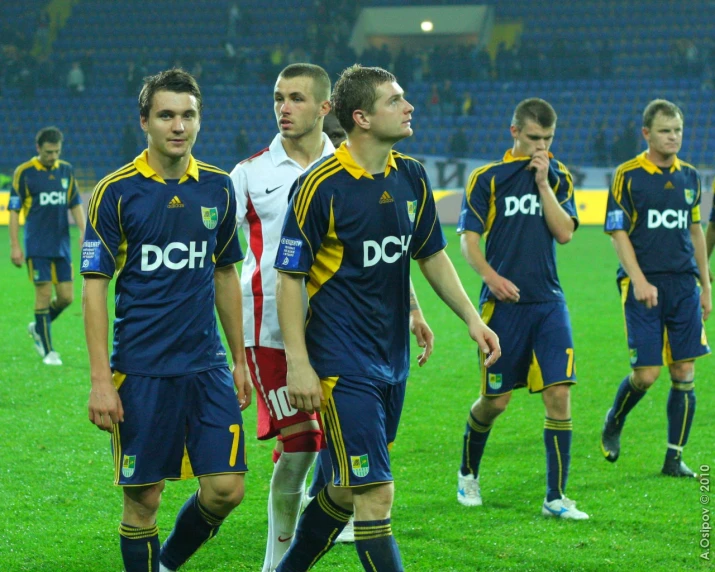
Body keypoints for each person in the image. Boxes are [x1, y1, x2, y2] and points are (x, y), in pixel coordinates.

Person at [274, 64, 500, 572]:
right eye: (395, 100)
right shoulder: (318, 187)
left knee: (343, 489)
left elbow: (429, 255)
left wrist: (471, 318)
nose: (408, 106)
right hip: (340, 362)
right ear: (362, 118)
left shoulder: (411, 175)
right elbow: (289, 278)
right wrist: (299, 363)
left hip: (391, 357)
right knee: (376, 495)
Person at [81, 68, 252, 572]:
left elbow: (225, 274)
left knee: (226, 490)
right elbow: (95, 290)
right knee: (144, 500)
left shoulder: (219, 189)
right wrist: (99, 382)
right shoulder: (115, 192)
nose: (179, 126)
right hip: (141, 370)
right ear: (145, 122)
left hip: (206, 366)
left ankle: (167, 563)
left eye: (188, 115)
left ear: (199, 120)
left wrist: (239, 361)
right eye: (167, 115)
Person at [456, 98, 588, 519]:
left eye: (548, 139)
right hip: (502, 309)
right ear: (514, 132)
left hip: (548, 303)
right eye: (534, 138)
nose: (541, 147)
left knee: (560, 395)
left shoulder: (558, 175)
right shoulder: (487, 178)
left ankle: (555, 497)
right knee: (494, 403)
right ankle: (467, 473)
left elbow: (565, 233)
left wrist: (545, 184)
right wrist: (492, 278)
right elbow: (468, 241)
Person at [229, 62, 335, 572]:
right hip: (269, 331)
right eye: (278, 97)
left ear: (324, 107)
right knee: (302, 442)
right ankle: (276, 563)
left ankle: (330, 515)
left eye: (296, 98)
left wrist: (413, 308)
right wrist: (230, 351)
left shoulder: (346, 168)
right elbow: (220, 261)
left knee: (338, 435)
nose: (284, 108)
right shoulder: (249, 174)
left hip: (337, 329)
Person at [601, 99, 710, 478]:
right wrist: (641, 280)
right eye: (666, 131)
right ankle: (615, 419)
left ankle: (673, 457)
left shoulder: (690, 177)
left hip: (683, 285)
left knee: (683, 370)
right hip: (642, 283)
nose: (674, 137)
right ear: (646, 134)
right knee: (647, 374)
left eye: (678, 130)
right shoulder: (627, 175)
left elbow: (695, 231)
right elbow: (617, 233)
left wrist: (706, 286)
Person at [8, 126, 85, 366]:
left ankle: (38, 326)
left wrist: (85, 231)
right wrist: (14, 246)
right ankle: (48, 350)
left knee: (66, 297)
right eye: (49, 152)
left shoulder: (65, 170)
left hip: (61, 244)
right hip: (37, 244)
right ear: (38, 148)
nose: (53, 156)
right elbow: (14, 210)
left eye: (57, 152)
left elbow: (74, 202)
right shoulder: (25, 172)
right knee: (43, 293)